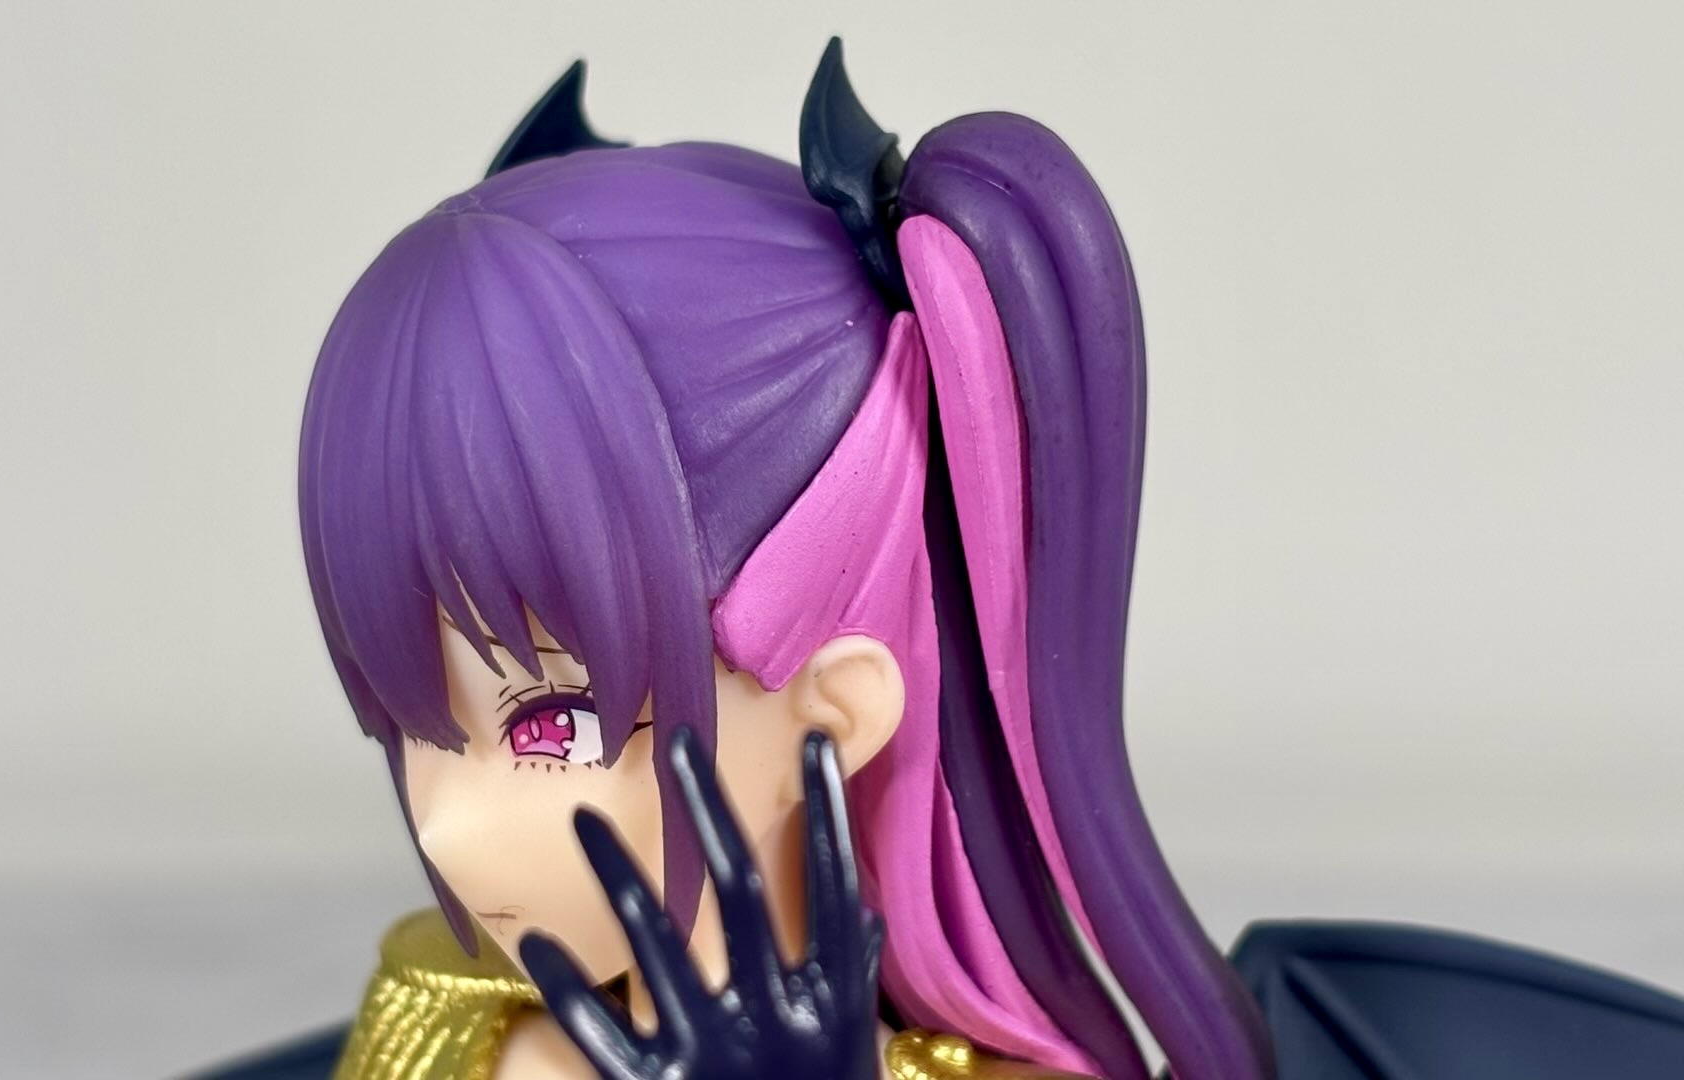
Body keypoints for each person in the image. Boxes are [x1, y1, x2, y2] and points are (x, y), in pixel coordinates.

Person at [288, 38, 1269, 1080]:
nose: (444, 825)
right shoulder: (449, 1027)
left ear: (835, 709)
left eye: (554, 725)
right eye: (410, 724)